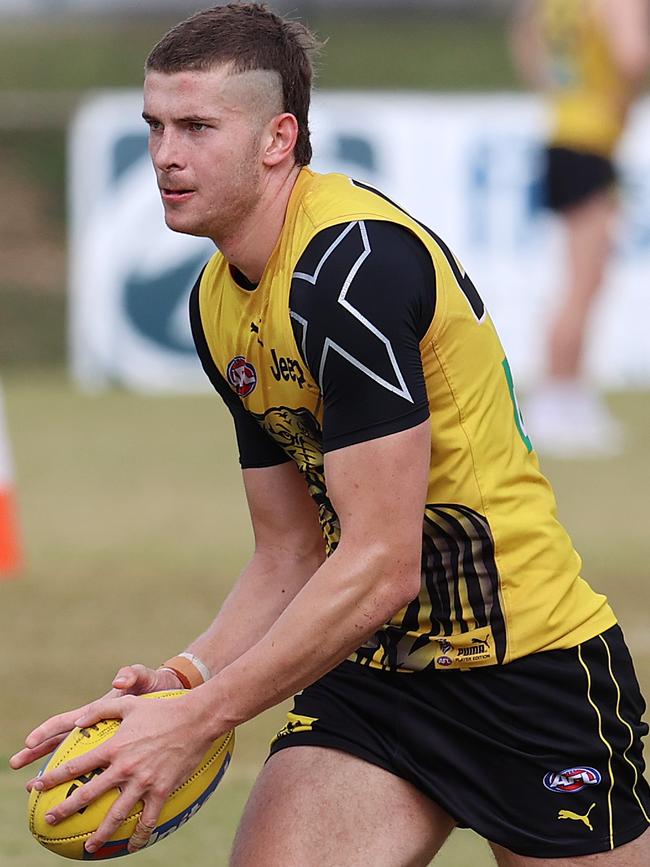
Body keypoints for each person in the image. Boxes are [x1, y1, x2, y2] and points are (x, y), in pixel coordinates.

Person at [10, 5, 650, 865]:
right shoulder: (217, 299)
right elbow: (291, 549)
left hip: (526, 671)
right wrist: (182, 680)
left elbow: (382, 562)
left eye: (198, 126)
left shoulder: (352, 269)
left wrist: (203, 719)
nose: (166, 154)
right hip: (371, 680)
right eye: (155, 125)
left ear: (279, 138)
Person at [510, 0, 650, 457]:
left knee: (580, 275)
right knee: (585, 279)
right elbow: (633, 55)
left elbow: (526, 39)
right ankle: (559, 395)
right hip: (591, 140)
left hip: (565, 131)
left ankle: (565, 394)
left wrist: (560, 86)